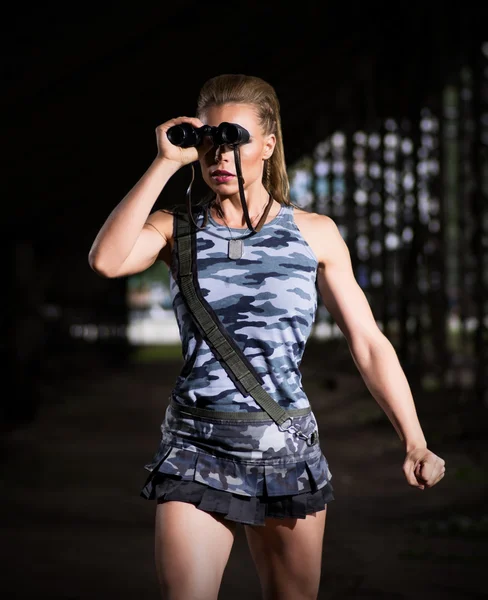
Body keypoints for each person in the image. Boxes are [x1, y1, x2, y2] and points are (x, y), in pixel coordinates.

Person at [88, 73, 446, 600]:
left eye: (235, 139)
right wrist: (165, 161)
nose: (219, 156)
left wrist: (415, 439)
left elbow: (367, 341)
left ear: (270, 145)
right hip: (196, 447)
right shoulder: (175, 227)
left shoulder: (314, 232)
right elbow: (106, 260)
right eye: (207, 140)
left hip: (285, 450)